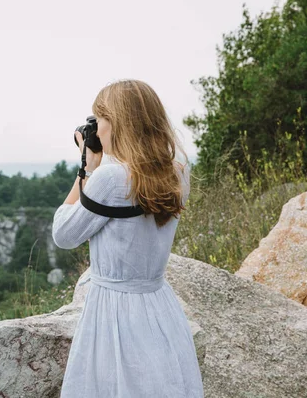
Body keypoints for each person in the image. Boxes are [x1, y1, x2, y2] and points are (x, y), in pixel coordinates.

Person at [52, 79, 204, 397]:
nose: (98, 129)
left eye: (101, 120)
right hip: (160, 306)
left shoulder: (109, 178)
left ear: (117, 124)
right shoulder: (178, 170)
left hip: (113, 313)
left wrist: (86, 168)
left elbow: (64, 233)